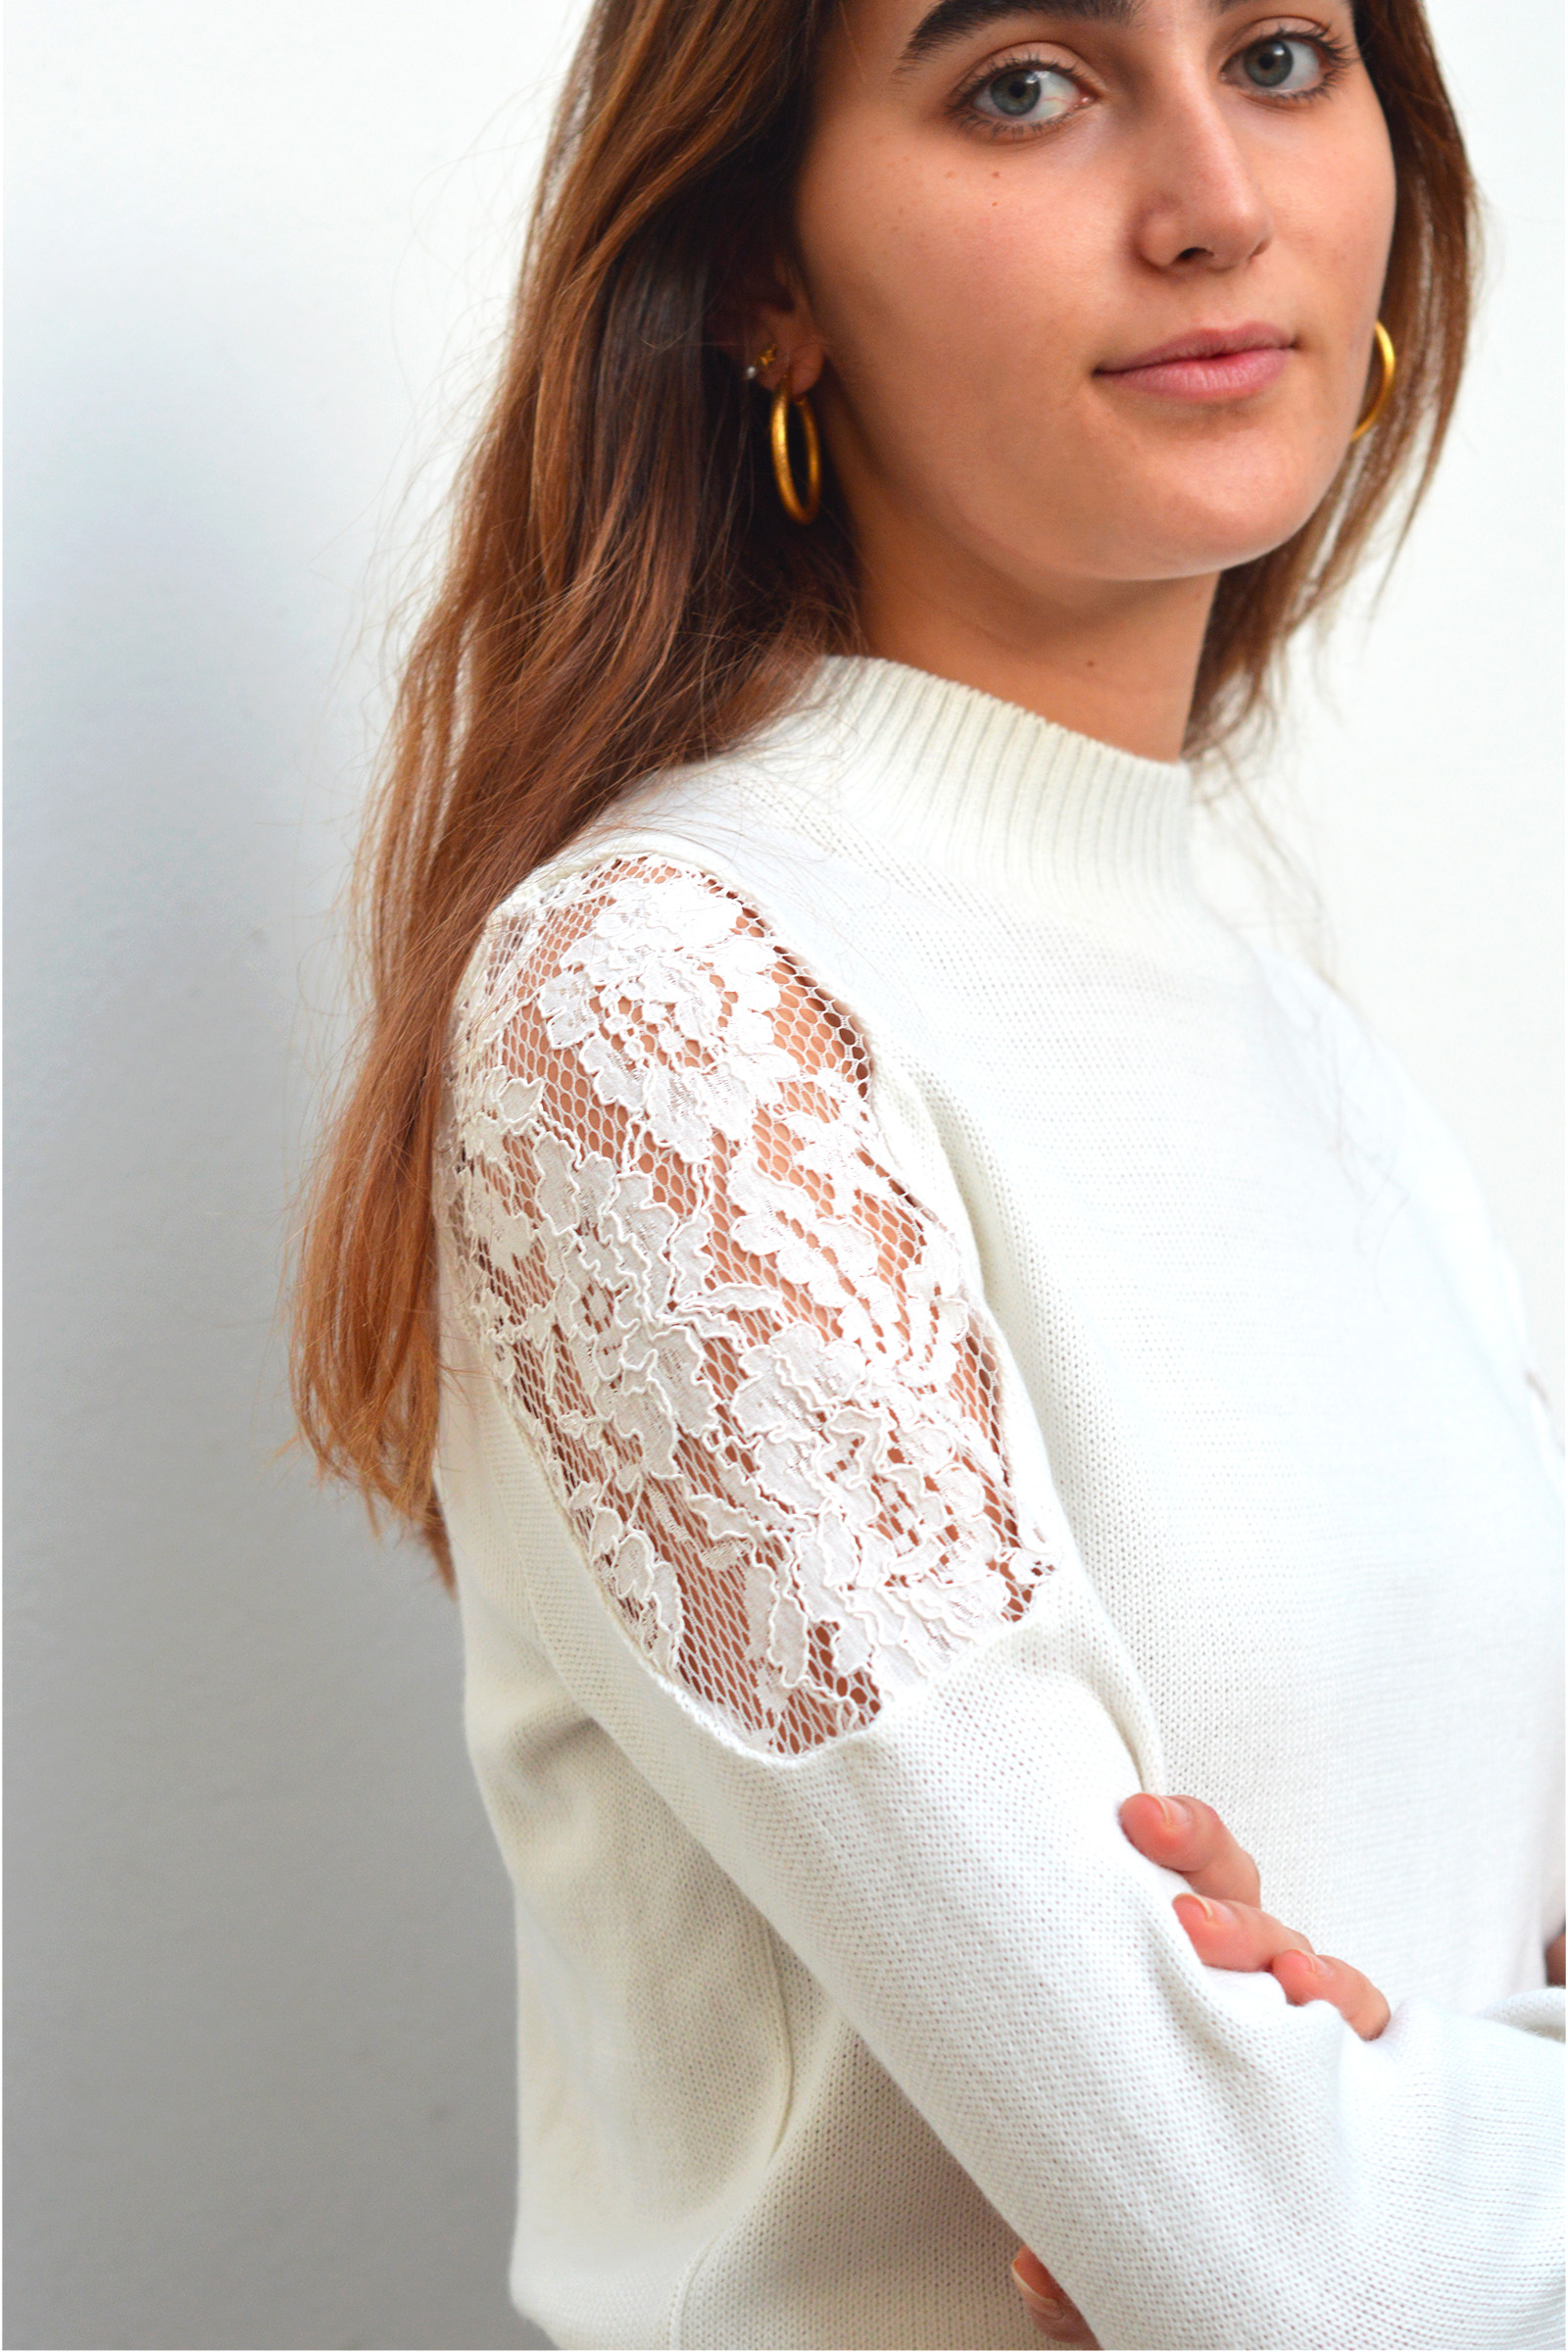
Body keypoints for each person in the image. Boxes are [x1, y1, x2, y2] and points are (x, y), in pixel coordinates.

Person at [291, 0, 1564, 2343]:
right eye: (1023, 86)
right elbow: (1285, 2266)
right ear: (761, 275)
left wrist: (1400, 2113)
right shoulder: (669, 1008)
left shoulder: (1325, 1073)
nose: (1213, 202)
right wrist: (1333, 2162)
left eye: (1281, 57)